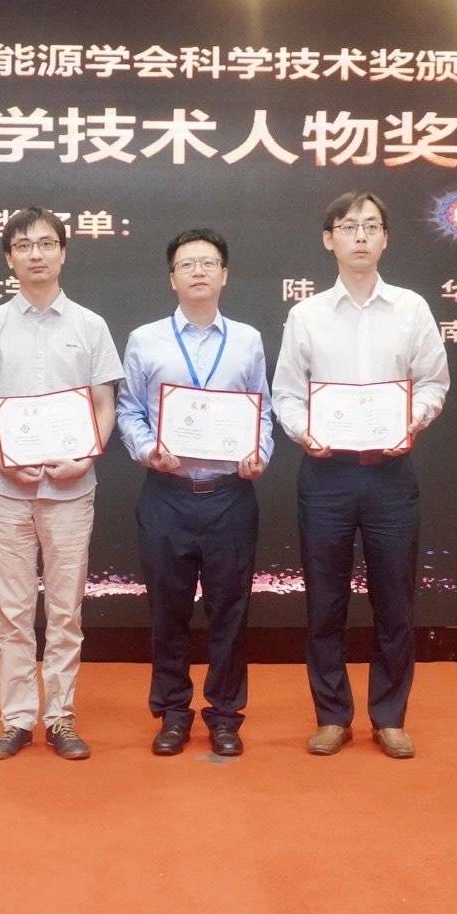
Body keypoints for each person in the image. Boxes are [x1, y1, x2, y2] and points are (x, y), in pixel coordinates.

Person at [271, 191, 449, 759]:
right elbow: (286, 393)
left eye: (371, 226)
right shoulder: (306, 315)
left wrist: (413, 419)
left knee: (395, 601)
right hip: (326, 473)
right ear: (330, 240)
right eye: (349, 227)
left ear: (386, 238)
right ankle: (332, 715)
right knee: (325, 602)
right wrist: (305, 432)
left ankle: (389, 717)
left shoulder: (411, 309)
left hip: (390, 474)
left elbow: (434, 383)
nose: (361, 236)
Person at [0, 207, 121, 760]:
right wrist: (4, 458)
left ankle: (60, 717)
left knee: (64, 610)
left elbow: (105, 405)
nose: (36, 254)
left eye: (46, 243)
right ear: (9, 258)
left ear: (63, 252)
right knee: (11, 612)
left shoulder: (90, 326)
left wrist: (87, 454)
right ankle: (16, 719)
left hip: (71, 489)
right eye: (24, 245)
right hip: (7, 489)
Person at [115, 228, 272, 757]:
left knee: (230, 612)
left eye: (208, 263)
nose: (198, 271)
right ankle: (173, 713)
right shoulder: (145, 339)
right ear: (172, 278)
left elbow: (262, 410)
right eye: (187, 264)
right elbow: (129, 411)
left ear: (224, 274)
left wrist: (259, 454)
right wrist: (147, 450)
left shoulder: (247, 340)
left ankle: (225, 715)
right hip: (167, 492)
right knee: (168, 612)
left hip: (230, 494)